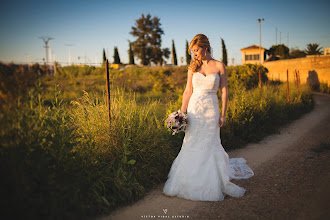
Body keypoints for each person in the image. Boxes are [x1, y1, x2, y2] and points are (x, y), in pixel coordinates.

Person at [162, 34, 254, 201]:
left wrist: (224, 114)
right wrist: (181, 113)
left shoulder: (220, 66)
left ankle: (212, 181)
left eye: (196, 50)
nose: (194, 54)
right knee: (191, 142)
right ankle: (188, 180)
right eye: (192, 51)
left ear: (205, 47)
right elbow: (188, 91)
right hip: (194, 110)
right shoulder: (192, 68)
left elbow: (224, 91)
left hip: (211, 109)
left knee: (210, 143)